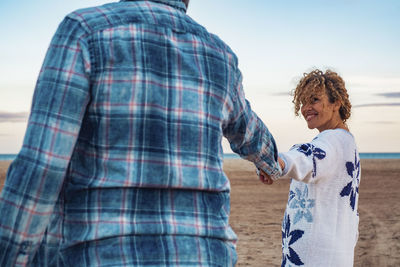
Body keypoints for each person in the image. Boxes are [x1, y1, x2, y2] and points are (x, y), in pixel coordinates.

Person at [0, 0, 282, 266]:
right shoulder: (220, 54)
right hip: (205, 254)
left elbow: (42, 166)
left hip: (100, 254)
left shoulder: (85, 30)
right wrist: (271, 164)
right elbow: (248, 130)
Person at [259, 69, 361, 266]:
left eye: (314, 100)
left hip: (315, 258)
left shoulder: (332, 142)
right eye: (303, 102)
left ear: (336, 103)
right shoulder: (347, 143)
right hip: (335, 256)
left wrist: (276, 163)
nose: (306, 108)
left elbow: (307, 158)